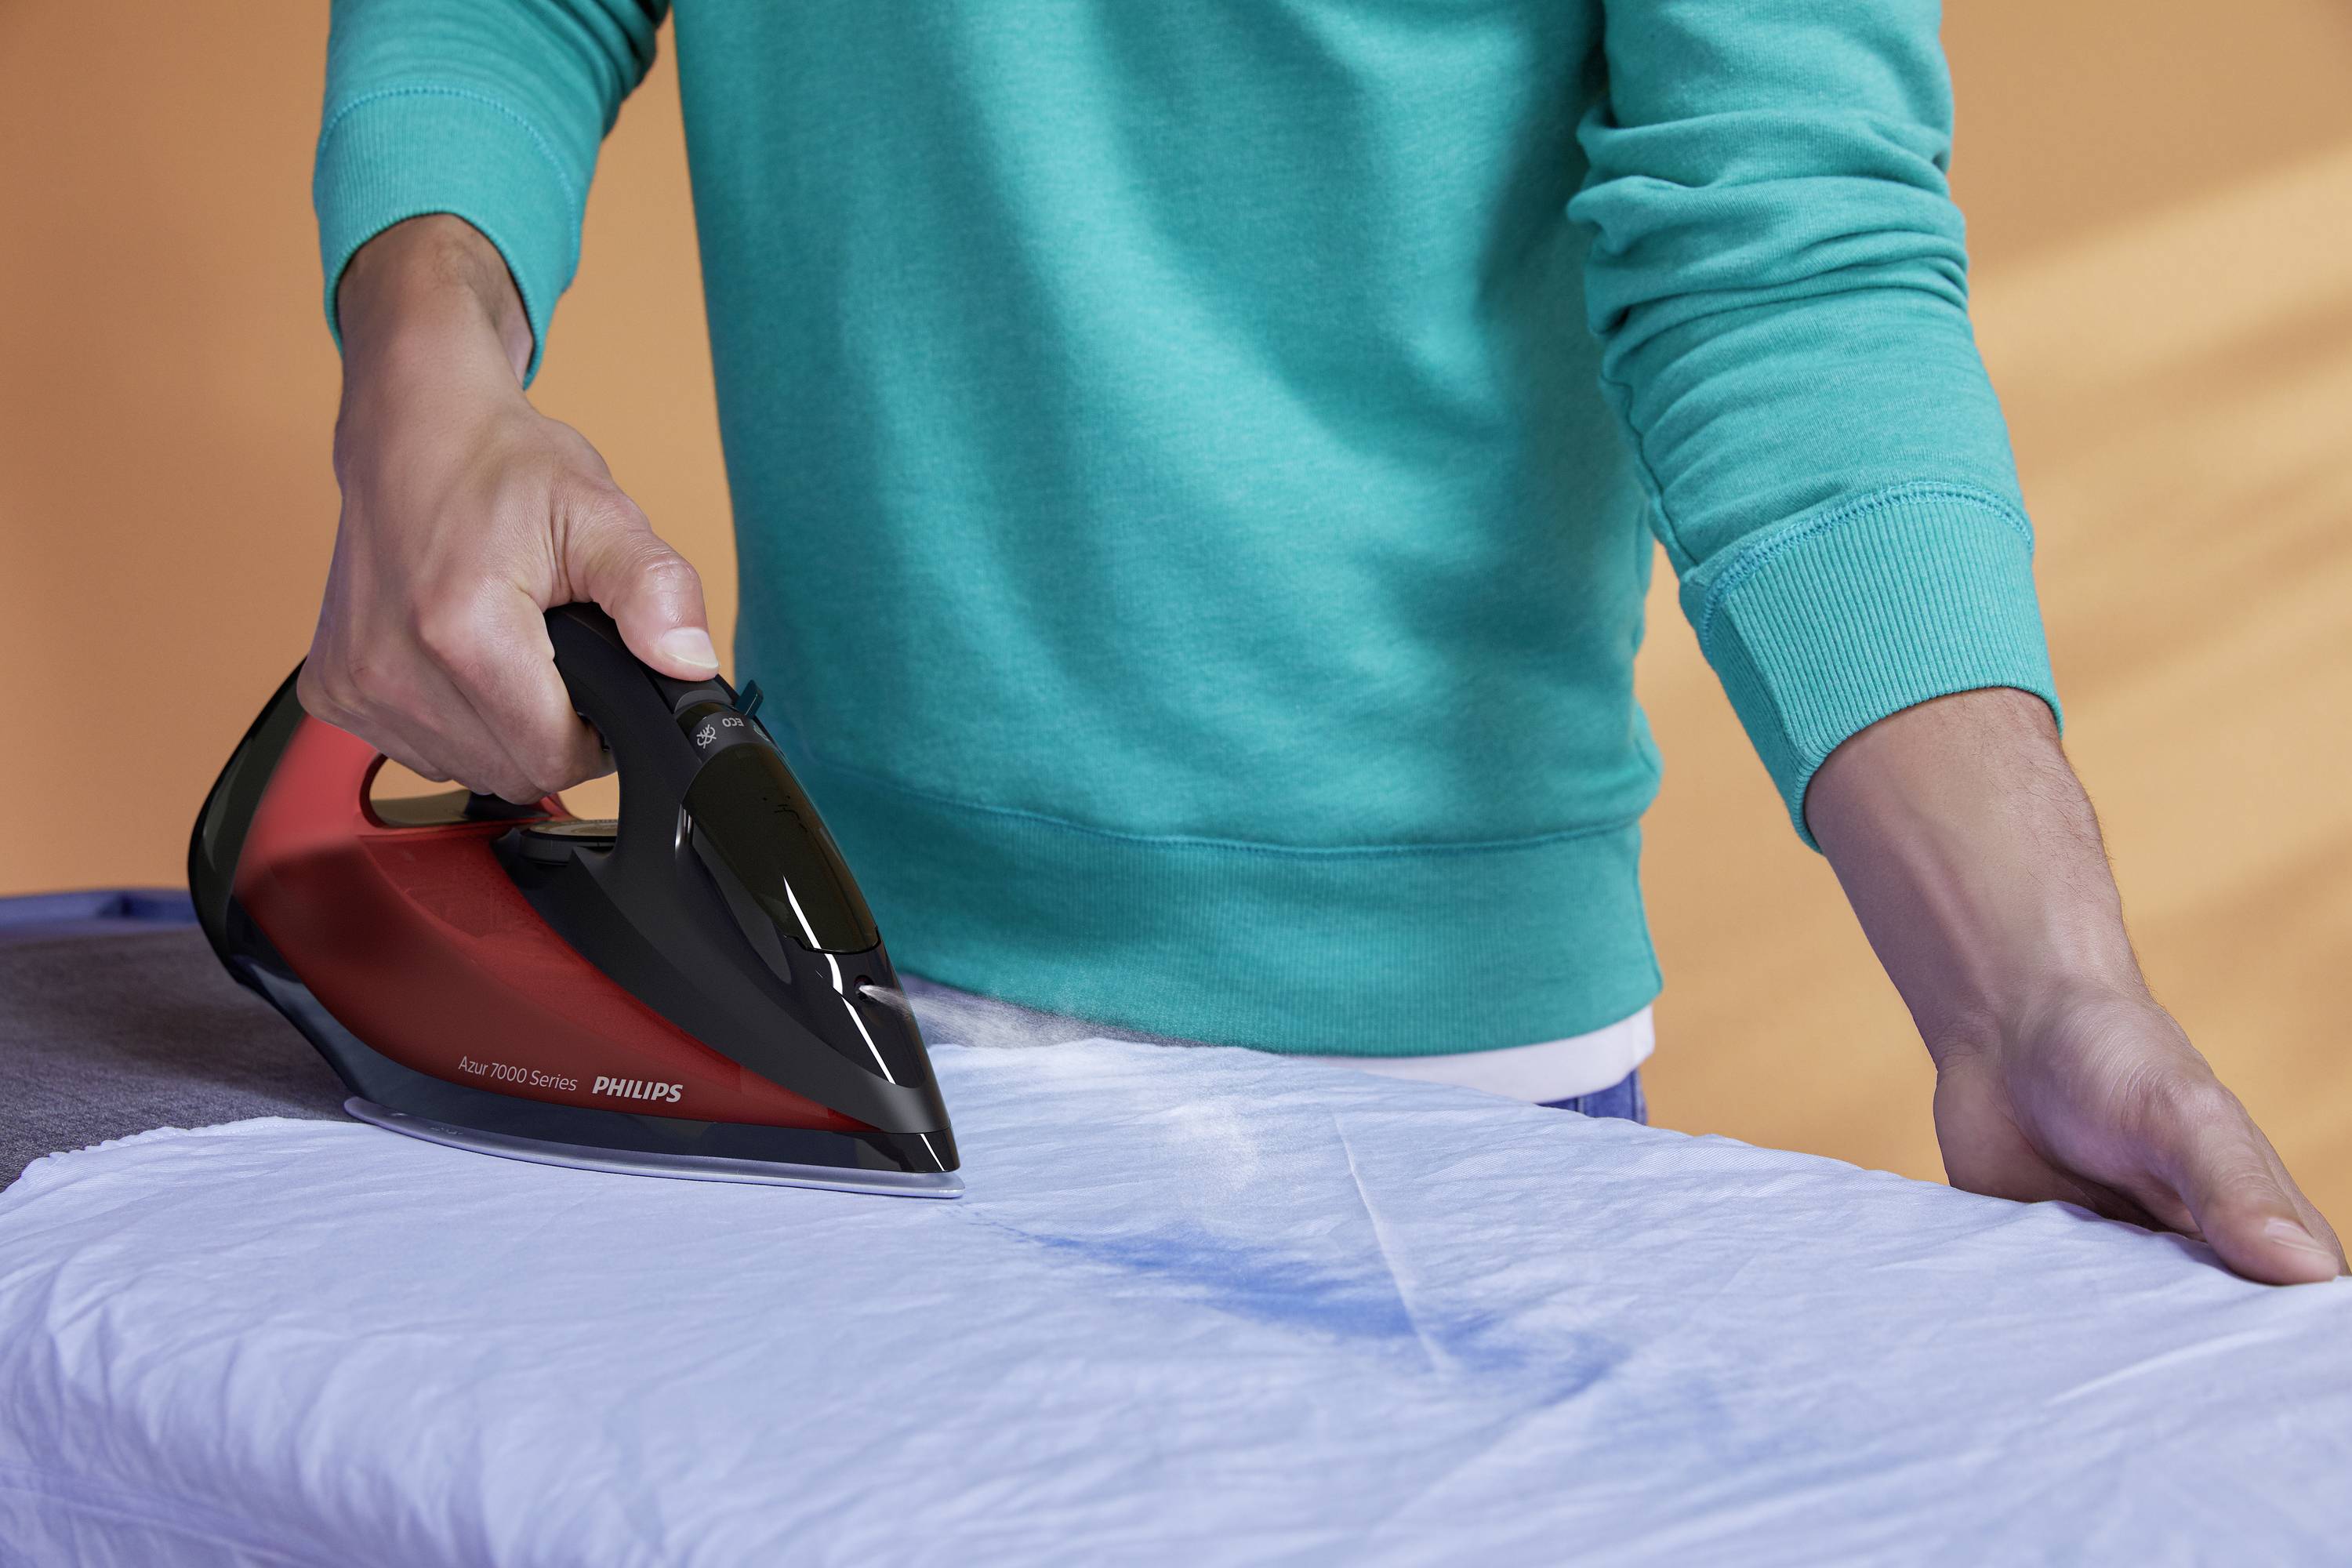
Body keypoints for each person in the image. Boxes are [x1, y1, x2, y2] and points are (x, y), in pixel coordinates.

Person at [302, 0, 2340, 1283]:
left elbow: (1779, 246)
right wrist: (425, 368)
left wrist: (2031, 993)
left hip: (1437, 1123)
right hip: (794, 1006)